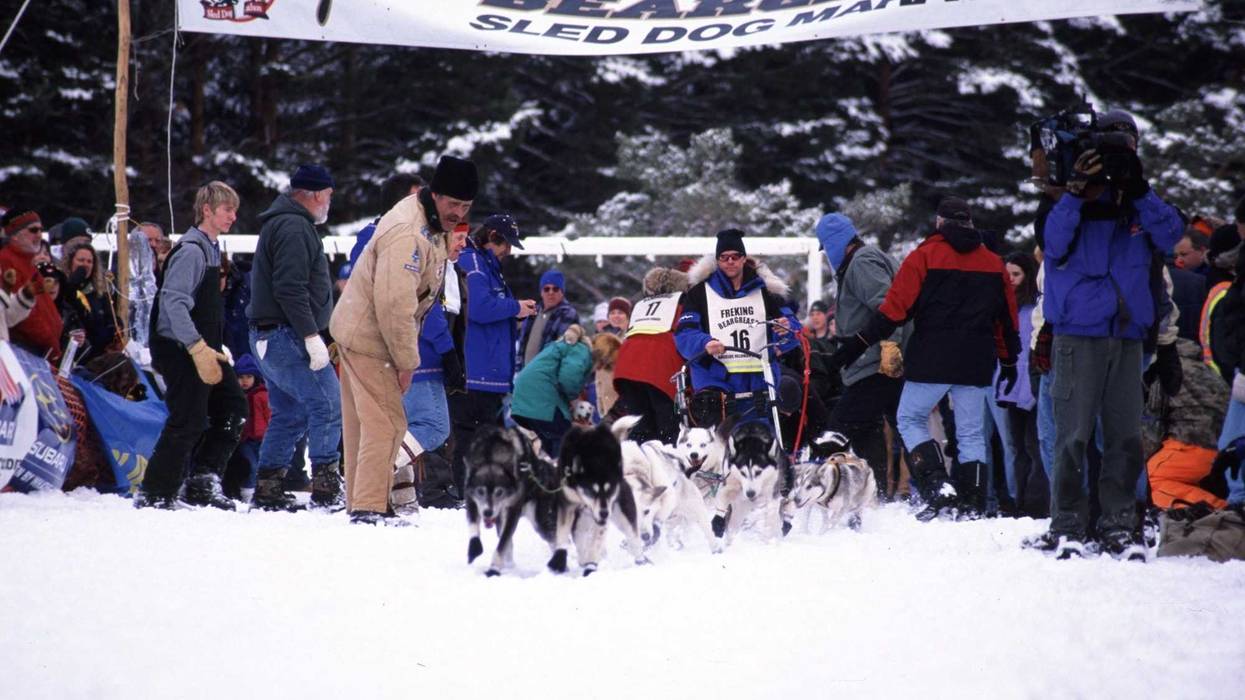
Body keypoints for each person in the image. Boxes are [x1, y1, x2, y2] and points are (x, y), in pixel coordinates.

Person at [1026, 110, 1184, 559]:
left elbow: (1171, 235)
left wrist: (1138, 188)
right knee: (1071, 436)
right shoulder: (1063, 197)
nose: (1118, 154)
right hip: (1078, 332)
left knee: (1123, 436)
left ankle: (1118, 522)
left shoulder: (1139, 198)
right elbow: (1053, 246)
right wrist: (1075, 191)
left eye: (1126, 146)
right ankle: (1067, 523)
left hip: (1128, 333)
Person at [828, 198, 1019, 520]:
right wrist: (1009, 362)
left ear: (939, 223)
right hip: (976, 360)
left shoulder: (925, 256)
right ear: (970, 223)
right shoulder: (993, 263)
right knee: (971, 433)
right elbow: (1006, 320)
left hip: (932, 356)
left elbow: (893, 311)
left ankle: (938, 487)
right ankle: (972, 502)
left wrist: (855, 345)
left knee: (910, 419)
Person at [330, 155, 471, 525]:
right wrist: (407, 362)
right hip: (369, 335)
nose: (458, 212)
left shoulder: (429, 219)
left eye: (466, 206)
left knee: (366, 423)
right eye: (453, 203)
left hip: (360, 329)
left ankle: (363, 501)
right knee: (388, 422)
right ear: (435, 195)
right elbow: (395, 303)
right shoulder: (408, 232)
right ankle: (369, 508)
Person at [135, 181, 248, 510]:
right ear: (207, 210)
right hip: (180, 346)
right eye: (227, 209)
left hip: (205, 347)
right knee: (188, 419)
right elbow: (173, 304)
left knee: (232, 408)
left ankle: (202, 481)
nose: (233, 215)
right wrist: (196, 347)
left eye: (234, 209)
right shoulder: (191, 251)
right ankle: (157, 491)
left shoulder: (211, 248)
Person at [247, 164, 342, 511]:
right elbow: (290, 289)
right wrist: (311, 335)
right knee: (328, 403)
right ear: (316, 194)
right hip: (286, 335)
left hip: (269, 336)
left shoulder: (283, 223)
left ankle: (269, 487)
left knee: (289, 413)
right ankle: (326, 487)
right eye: (329, 195)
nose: (330, 202)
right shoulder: (294, 226)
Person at [815, 213, 906, 500]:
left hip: (876, 363)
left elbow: (888, 306)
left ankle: (822, 496)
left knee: (837, 428)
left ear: (834, 243)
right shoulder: (866, 259)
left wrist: (891, 349)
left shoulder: (862, 263)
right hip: (869, 362)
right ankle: (876, 497)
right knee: (870, 430)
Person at [675, 228, 801, 430]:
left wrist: (786, 330)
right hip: (716, 381)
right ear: (717, 261)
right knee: (720, 447)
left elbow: (792, 331)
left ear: (744, 259)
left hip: (759, 381)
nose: (730, 261)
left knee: (759, 443)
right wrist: (705, 343)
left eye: (735, 256)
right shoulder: (699, 294)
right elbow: (684, 334)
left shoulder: (765, 292)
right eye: (724, 258)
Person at [450, 212, 535, 500]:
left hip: (490, 371)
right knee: (473, 437)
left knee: (488, 438)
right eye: (506, 244)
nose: (508, 251)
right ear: (492, 238)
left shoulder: (486, 264)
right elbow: (480, 309)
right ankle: (464, 491)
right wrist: (515, 308)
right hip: (477, 370)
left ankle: (479, 490)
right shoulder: (473, 262)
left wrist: (515, 313)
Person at [390, 221, 469, 515]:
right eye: (459, 238)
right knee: (435, 428)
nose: (463, 245)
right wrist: (449, 354)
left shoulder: (442, 265)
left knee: (406, 428)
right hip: (425, 359)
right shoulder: (431, 263)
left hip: (416, 356)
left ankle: (402, 495)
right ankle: (379, 471)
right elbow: (429, 310)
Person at [612, 266, 690, 445]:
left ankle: (634, 465)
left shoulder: (642, 304)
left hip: (627, 367)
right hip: (658, 368)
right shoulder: (682, 304)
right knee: (668, 428)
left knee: (640, 427)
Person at [996, 251, 1046, 515]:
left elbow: (1030, 354)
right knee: (1016, 448)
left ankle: (1036, 503)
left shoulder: (1033, 309)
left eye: (1016, 274)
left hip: (1031, 388)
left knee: (1034, 446)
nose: (1011, 279)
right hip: (1011, 389)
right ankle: (1018, 500)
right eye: (1008, 275)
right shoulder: (1006, 306)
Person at [511, 324, 593, 457]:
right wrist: (573, 396)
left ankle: (547, 470)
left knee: (550, 441)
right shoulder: (581, 349)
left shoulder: (555, 347)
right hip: (542, 400)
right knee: (565, 440)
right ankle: (559, 473)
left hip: (523, 401)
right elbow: (569, 377)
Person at [0, 207, 63, 359]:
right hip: (27, 353)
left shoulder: (28, 263)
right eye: (33, 230)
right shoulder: (7, 261)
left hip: (39, 352)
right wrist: (49, 344)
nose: (40, 235)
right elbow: (21, 319)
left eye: (41, 230)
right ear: (15, 235)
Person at [346, 173, 425, 275]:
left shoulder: (422, 238)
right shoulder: (371, 242)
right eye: (418, 202)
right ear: (399, 205)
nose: (424, 207)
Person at [57, 239, 118, 363]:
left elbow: (107, 323)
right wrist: (71, 285)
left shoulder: (100, 293)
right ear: (70, 262)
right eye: (81, 260)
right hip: (67, 354)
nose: (85, 264)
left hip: (95, 356)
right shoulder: (60, 288)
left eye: (89, 261)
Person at [518, 268, 579, 373]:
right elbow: (522, 343)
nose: (551, 292)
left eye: (555, 289)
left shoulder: (568, 314)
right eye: (546, 289)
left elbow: (565, 348)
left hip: (549, 376)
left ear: (562, 292)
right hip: (525, 373)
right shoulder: (532, 311)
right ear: (541, 292)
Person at [228, 353, 270, 503]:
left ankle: (262, 491)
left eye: (249, 377)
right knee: (250, 465)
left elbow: (270, 416)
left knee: (263, 466)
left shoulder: (262, 395)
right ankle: (248, 493)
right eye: (241, 377)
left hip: (263, 439)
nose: (245, 381)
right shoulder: (236, 396)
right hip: (245, 440)